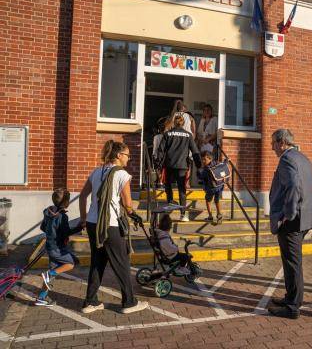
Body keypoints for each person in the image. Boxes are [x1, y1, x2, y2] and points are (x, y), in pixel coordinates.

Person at [78, 140, 148, 314]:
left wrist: (83, 219)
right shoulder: (122, 175)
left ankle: (90, 301)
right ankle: (129, 302)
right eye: (127, 155)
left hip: (94, 223)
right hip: (110, 224)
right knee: (122, 262)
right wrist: (133, 214)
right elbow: (128, 204)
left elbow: (82, 196)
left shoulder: (96, 172)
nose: (128, 159)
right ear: (118, 155)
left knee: (98, 262)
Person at [268, 129, 312, 319]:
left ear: (282, 142)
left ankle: (292, 306)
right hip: (305, 218)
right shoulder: (302, 157)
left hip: (293, 220)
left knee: (292, 264)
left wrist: (286, 215)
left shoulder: (287, 159)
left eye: (273, 142)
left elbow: (293, 186)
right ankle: (291, 297)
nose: (272, 146)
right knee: (292, 262)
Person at [35, 188, 82, 306]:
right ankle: (49, 274)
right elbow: (66, 233)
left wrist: (51, 231)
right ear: (66, 202)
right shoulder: (62, 217)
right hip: (58, 248)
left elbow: (42, 228)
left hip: (50, 246)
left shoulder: (48, 212)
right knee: (71, 263)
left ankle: (41, 298)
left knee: (52, 271)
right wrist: (79, 227)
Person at [156, 115, 201, 222]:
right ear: (183, 123)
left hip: (169, 165)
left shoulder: (167, 134)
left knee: (168, 185)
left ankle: (170, 203)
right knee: (182, 190)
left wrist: (158, 164)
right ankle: (183, 214)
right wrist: (199, 165)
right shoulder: (188, 135)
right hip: (182, 166)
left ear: (173, 123)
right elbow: (195, 151)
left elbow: (161, 150)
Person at [197, 151, 224, 224]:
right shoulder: (217, 163)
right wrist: (227, 160)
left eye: (204, 159)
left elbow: (201, 177)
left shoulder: (206, 169)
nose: (203, 161)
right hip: (220, 186)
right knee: (217, 200)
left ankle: (210, 217)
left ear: (210, 158)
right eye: (202, 159)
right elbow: (224, 165)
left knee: (208, 201)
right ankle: (219, 215)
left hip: (211, 188)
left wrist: (199, 172)